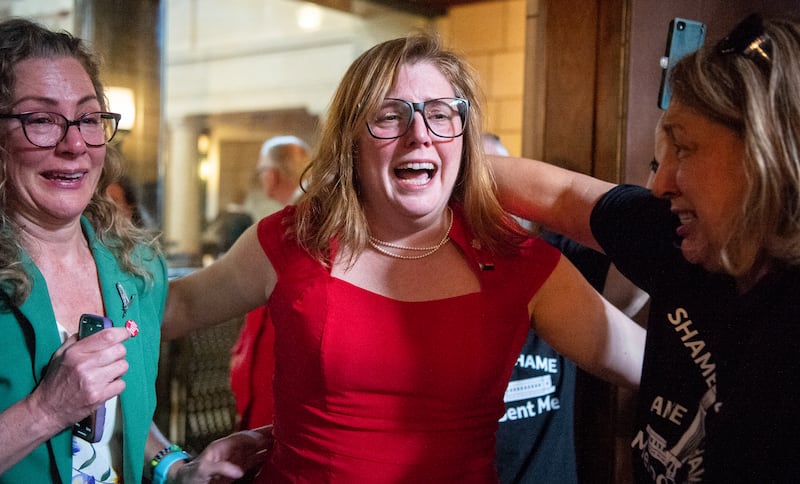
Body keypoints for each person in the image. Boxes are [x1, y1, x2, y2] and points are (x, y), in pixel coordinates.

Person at [163, 32, 645, 482]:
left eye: (441, 114)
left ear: (464, 135)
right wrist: (165, 461)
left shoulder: (519, 261)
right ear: (351, 139)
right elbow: (161, 312)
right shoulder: (291, 240)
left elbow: (654, 365)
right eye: (390, 115)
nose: (420, 134)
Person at [491, 13, 800, 483]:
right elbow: (562, 196)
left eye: (684, 149)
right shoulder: (681, 235)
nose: (658, 185)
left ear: (766, 154)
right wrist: (437, 166)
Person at [0, 18, 267, 483]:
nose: (75, 144)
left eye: (88, 119)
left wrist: (176, 468)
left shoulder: (132, 266)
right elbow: (66, 403)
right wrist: (46, 410)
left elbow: (118, 416)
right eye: (41, 120)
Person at [486, 133, 649, 484]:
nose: (486, 204)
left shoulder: (548, 261)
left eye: (500, 185)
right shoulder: (432, 280)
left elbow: (634, 284)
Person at [230, 135, 310, 430]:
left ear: (272, 175)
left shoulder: (295, 225)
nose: (262, 177)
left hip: (277, 390)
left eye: (261, 170)